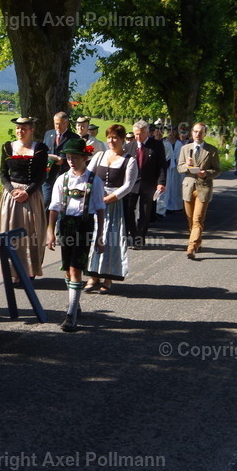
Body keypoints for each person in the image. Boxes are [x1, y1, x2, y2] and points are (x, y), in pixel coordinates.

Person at [46, 139, 106, 332]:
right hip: (66, 226)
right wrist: (50, 232)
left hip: (84, 226)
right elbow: (54, 207)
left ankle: (71, 314)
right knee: (66, 268)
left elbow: (100, 209)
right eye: (69, 157)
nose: (71, 161)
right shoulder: (62, 179)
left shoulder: (94, 181)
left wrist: (100, 235)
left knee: (75, 268)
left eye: (75, 157)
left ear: (84, 158)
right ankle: (75, 302)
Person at [0, 116, 48, 280]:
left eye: (24, 128)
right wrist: (11, 190)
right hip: (11, 197)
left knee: (29, 233)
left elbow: (42, 176)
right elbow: (3, 173)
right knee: (9, 232)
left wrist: (27, 192)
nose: (20, 131)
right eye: (18, 128)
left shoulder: (40, 149)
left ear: (31, 130)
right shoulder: (7, 147)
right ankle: (11, 271)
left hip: (30, 196)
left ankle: (28, 271)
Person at [85, 124, 136, 293]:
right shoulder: (100, 155)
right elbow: (88, 175)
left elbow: (127, 186)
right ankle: (93, 277)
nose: (111, 141)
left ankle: (107, 279)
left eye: (115, 138)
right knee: (93, 238)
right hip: (95, 203)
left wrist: (107, 199)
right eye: (109, 137)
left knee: (110, 240)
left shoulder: (129, 160)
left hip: (114, 205)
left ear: (122, 140)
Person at [176, 122, 221, 260]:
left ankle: (191, 247)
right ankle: (198, 241)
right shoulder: (185, 148)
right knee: (190, 219)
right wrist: (187, 166)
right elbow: (179, 167)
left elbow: (217, 170)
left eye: (200, 132)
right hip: (188, 187)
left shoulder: (211, 150)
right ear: (192, 133)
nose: (197, 134)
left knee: (198, 219)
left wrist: (205, 173)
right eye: (195, 131)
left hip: (203, 187)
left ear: (205, 134)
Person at [125, 120, 167, 248]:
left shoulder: (157, 145)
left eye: (141, 134)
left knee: (145, 212)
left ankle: (140, 238)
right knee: (128, 210)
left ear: (147, 132)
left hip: (148, 183)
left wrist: (161, 182)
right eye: (136, 134)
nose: (138, 137)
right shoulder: (129, 146)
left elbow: (162, 166)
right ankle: (132, 234)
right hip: (131, 184)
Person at [42, 111, 81, 209]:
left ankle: (58, 223)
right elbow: (43, 151)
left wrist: (63, 159)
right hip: (48, 174)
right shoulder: (48, 134)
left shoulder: (74, 138)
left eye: (60, 124)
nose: (58, 127)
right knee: (46, 201)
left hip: (63, 174)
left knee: (62, 202)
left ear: (66, 123)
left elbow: (77, 156)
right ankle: (45, 223)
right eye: (56, 124)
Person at [163, 126, 187, 212]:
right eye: (169, 131)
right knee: (166, 186)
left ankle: (176, 206)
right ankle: (165, 207)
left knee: (176, 187)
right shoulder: (163, 142)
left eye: (173, 131)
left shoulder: (179, 143)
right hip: (166, 168)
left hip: (177, 168)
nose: (171, 133)